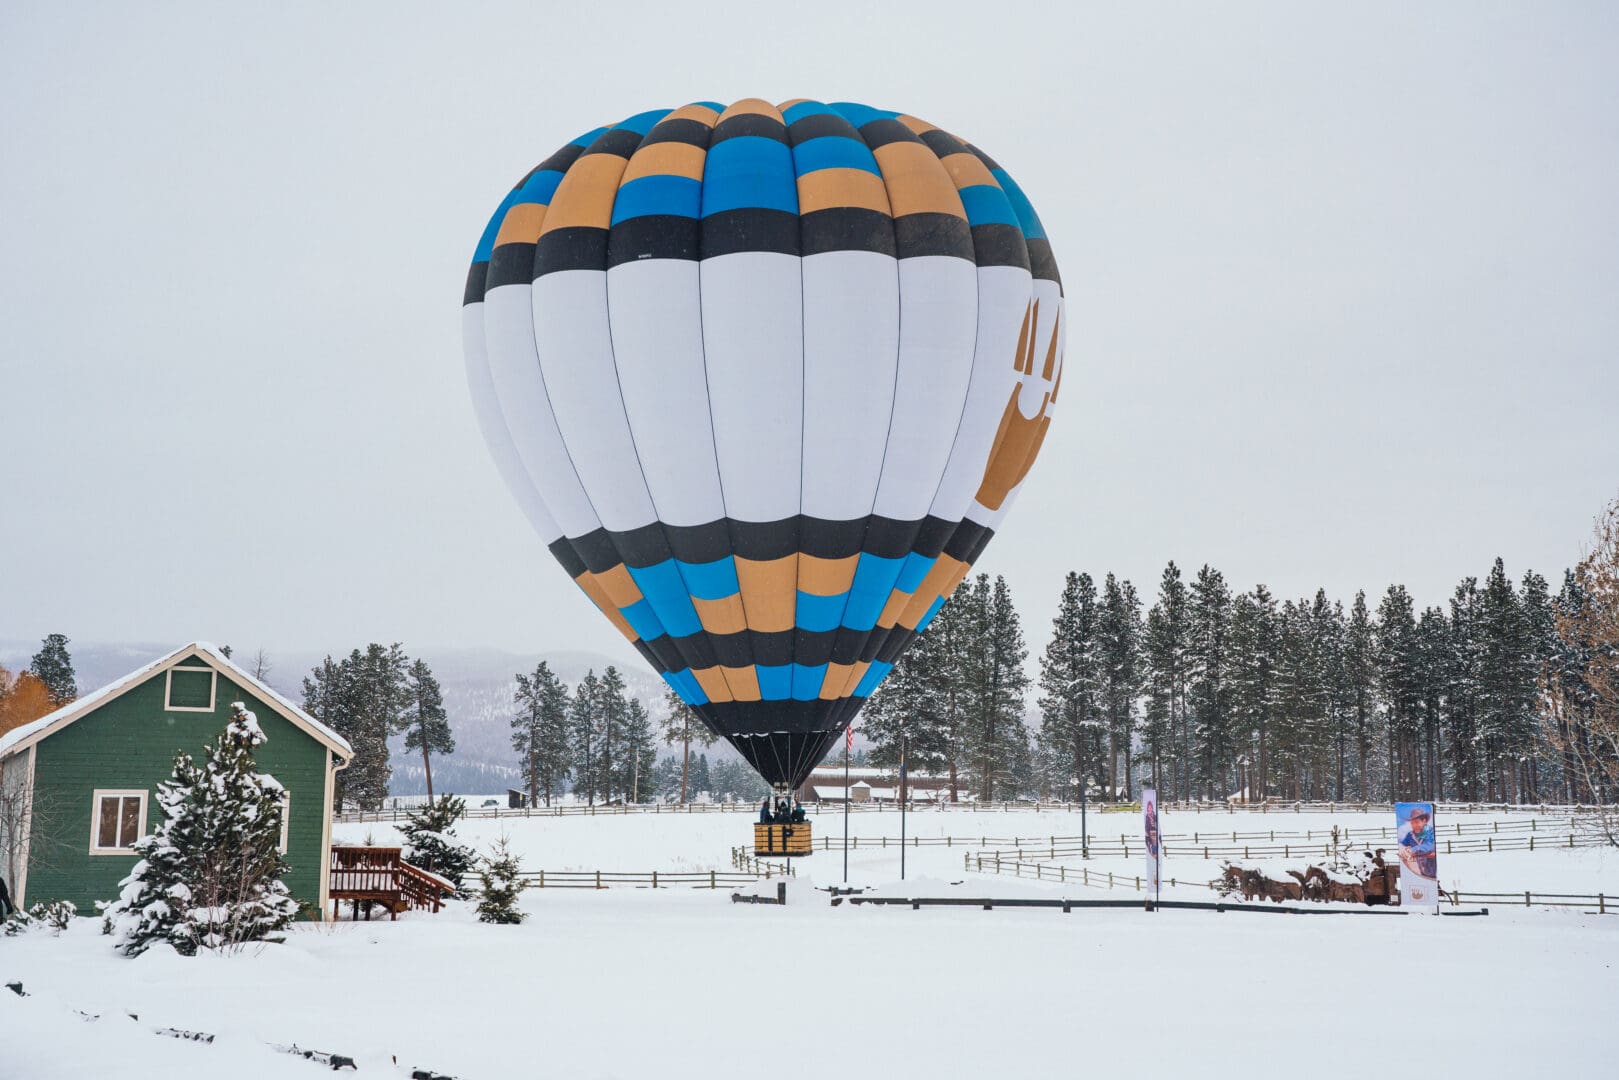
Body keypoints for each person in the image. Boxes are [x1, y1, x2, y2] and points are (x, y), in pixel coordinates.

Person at [1398, 805, 1437, 879]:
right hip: (1421, 873)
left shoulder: (1431, 832)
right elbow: (1402, 844)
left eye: (1417, 822)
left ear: (1424, 821)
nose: (1414, 825)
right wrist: (1403, 850)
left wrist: (1412, 850)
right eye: (1412, 823)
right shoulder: (1410, 835)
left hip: (1435, 873)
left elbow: (1429, 845)